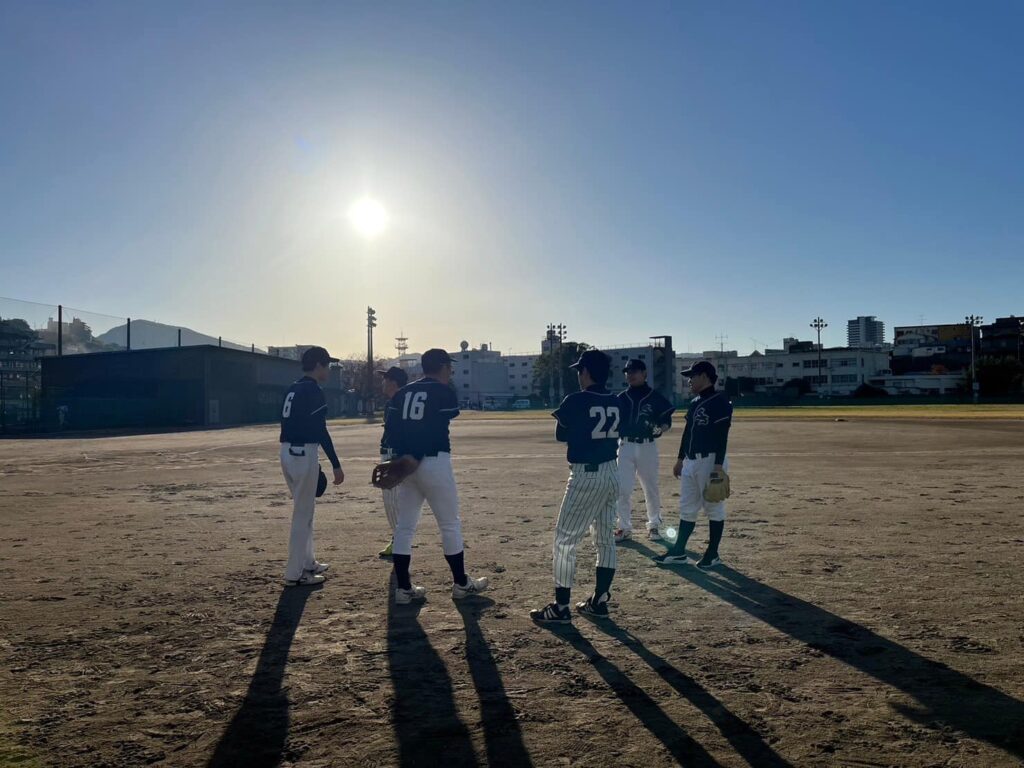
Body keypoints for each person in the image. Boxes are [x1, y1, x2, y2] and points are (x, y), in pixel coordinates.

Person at [385, 348, 489, 605]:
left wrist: (401, 459)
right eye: (449, 366)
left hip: (406, 464)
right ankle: (461, 584)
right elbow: (433, 426)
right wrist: (417, 454)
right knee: (450, 524)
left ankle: (403, 589)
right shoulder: (444, 391)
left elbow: (392, 431)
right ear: (442, 366)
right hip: (433, 461)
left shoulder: (403, 392)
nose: (451, 370)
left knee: (404, 527)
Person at [531, 349, 621, 624]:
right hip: (612, 471)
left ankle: (561, 607)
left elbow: (562, 434)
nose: (579, 376)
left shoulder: (576, 399)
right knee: (605, 539)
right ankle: (599, 600)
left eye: (580, 371)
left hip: (586, 475)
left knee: (564, 541)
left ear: (586, 372)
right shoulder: (616, 400)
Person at [653, 360, 733, 570]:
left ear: (705, 376)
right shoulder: (695, 402)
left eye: (692, 376)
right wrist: (680, 459)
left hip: (710, 461)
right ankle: (679, 551)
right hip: (691, 461)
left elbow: (722, 436)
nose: (689, 380)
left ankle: (713, 554)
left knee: (713, 507)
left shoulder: (720, 401)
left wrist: (718, 466)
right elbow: (688, 434)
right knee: (687, 508)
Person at [279, 346, 344, 587]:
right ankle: (294, 574)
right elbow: (320, 430)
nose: (328, 370)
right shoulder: (313, 390)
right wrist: (335, 464)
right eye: (327, 365)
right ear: (318, 365)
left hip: (287, 451)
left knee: (304, 510)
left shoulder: (293, 388)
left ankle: (308, 562)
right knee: (302, 515)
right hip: (302, 453)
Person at [614, 358, 675, 542]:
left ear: (644, 373)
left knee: (650, 488)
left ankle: (654, 525)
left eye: (634, 371)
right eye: (628, 372)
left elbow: (666, 421)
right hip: (625, 445)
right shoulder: (621, 398)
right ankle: (624, 527)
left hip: (647, 446)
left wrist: (660, 428)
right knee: (622, 489)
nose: (630, 375)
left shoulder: (654, 396)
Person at [376, 366, 408, 559]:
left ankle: (400, 541)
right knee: (394, 501)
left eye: (385, 379)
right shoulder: (395, 402)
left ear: (393, 382)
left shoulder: (400, 401)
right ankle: (399, 539)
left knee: (393, 501)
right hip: (392, 454)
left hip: (394, 455)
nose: (383, 382)